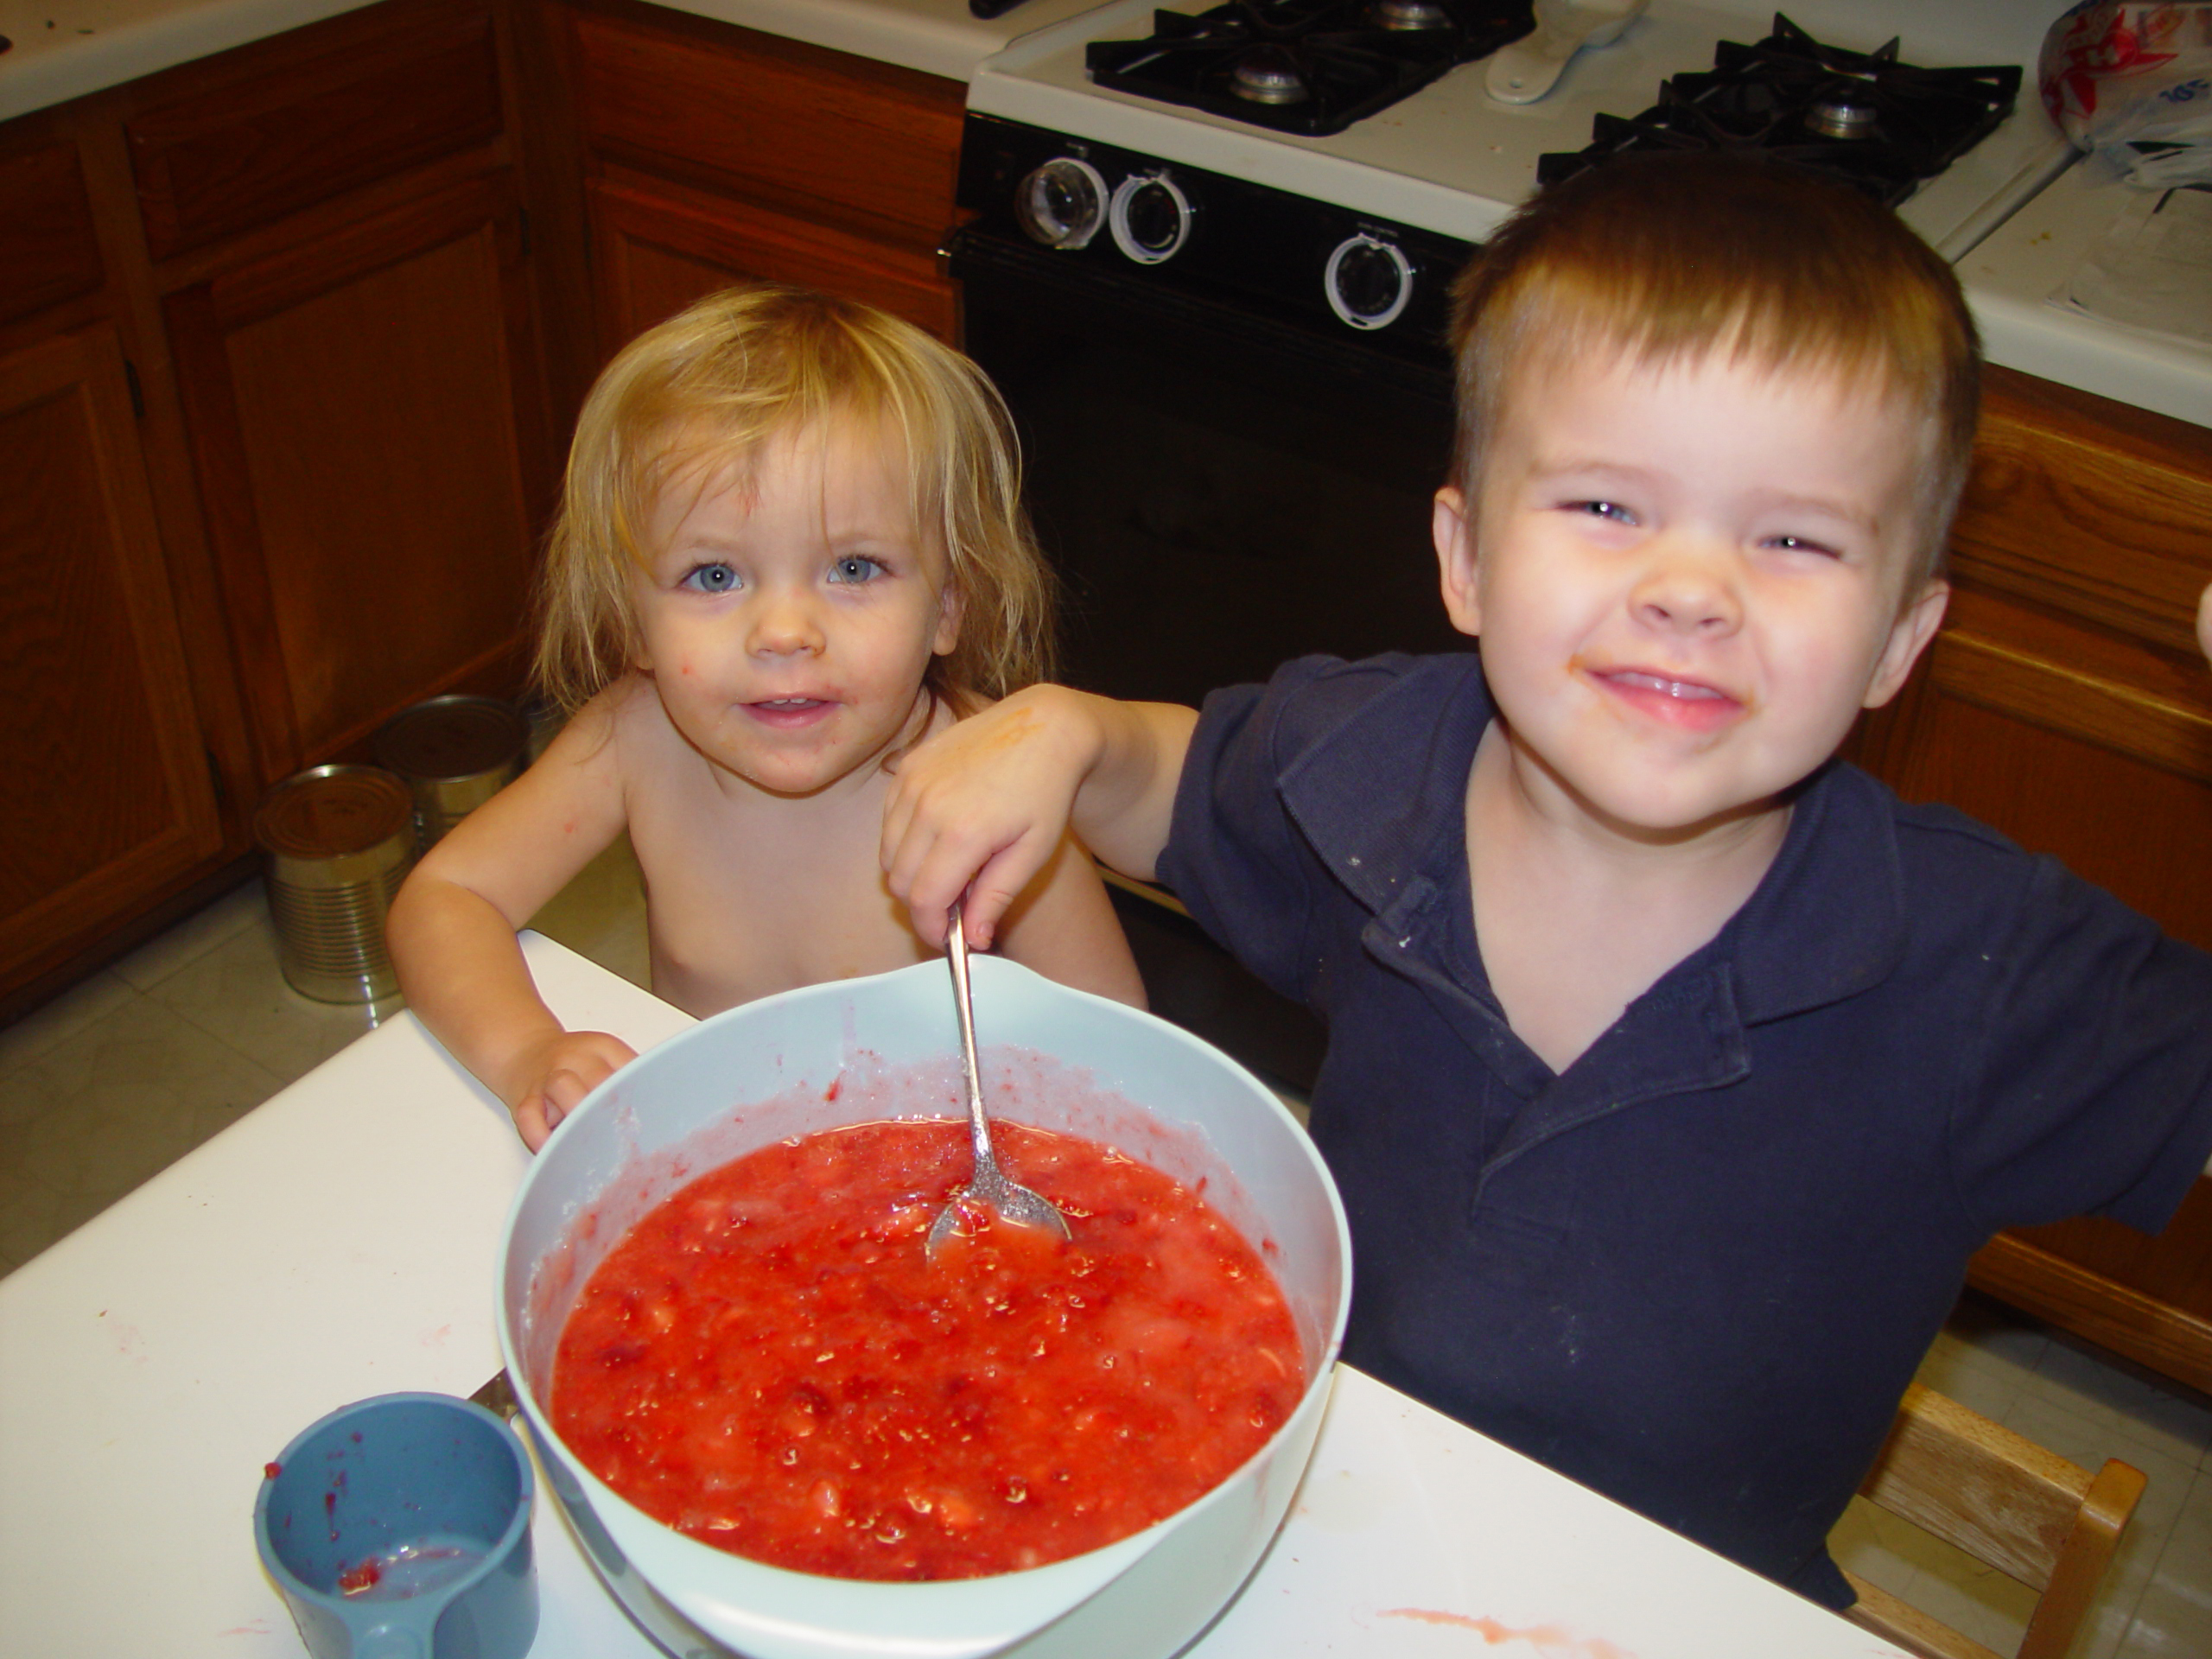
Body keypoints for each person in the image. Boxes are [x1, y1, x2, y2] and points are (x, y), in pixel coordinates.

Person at [880, 156, 2212, 1605]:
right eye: (1605, 506)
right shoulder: (1366, 763)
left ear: (1901, 637)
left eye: (1793, 538)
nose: (1694, 589)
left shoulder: (1982, 967)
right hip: (1332, 1514)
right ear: (1462, 556)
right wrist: (1068, 733)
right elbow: (1174, 783)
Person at [389, 284, 1143, 1152]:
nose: (785, 633)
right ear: (631, 619)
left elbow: (1119, 1051)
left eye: (854, 568)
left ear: (946, 608)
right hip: (717, 1163)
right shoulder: (635, 741)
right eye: (715, 577)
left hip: (932, 1178)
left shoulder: (996, 785)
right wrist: (526, 1050)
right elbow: (444, 898)